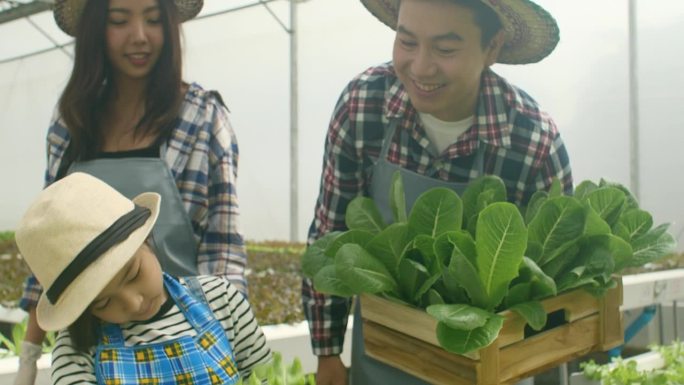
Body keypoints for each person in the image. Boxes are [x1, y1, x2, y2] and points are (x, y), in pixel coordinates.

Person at [302, 0, 573, 384]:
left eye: (445, 49)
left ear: (492, 47)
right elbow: (330, 237)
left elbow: (552, 287)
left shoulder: (533, 142)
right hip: (383, 362)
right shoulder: (364, 107)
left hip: (493, 368)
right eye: (407, 41)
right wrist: (327, 352)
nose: (421, 67)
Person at [14, 0, 248, 384]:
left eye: (154, 20)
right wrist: (30, 355)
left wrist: (223, 353)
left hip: (182, 347)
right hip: (94, 354)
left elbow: (223, 252)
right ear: (95, 31)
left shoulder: (202, 117)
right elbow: (52, 243)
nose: (139, 36)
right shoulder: (73, 120)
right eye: (119, 20)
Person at [14, 172, 271, 384]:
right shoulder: (76, 352)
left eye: (134, 273)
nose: (133, 302)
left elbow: (267, 377)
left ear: (147, 240)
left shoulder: (222, 301)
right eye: (103, 303)